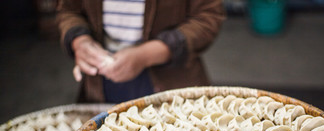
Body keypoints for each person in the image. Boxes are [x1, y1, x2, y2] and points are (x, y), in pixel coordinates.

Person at [57, 0, 225, 103]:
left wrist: (145, 55)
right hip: (101, 82)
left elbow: (208, 16)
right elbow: (68, 10)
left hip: (173, 81)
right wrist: (79, 40)